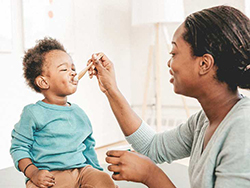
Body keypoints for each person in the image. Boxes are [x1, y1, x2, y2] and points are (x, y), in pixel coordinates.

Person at [88, 5, 250, 188]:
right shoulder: (203, 121)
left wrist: (150, 175)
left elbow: (150, 161)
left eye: (174, 53)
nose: (169, 62)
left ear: (204, 63)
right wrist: (111, 89)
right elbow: (151, 146)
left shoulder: (243, 128)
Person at [10, 37, 116, 188]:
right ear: (43, 82)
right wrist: (33, 173)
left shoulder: (79, 113)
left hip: (81, 171)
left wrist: (97, 174)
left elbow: (88, 147)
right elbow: (19, 148)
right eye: (64, 69)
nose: (73, 73)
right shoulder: (33, 113)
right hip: (50, 176)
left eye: (73, 68)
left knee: (103, 180)